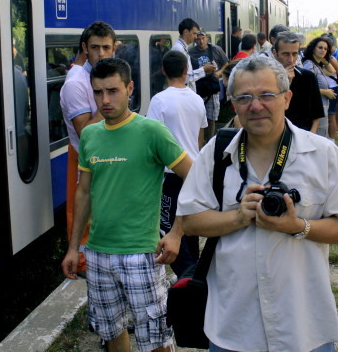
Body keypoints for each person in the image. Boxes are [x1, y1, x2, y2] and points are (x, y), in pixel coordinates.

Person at [177, 56, 338, 352]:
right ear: (233, 104)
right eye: (244, 98)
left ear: (286, 99)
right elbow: (189, 221)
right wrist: (238, 217)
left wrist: (297, 226)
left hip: (303, 326)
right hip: (233, 325)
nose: (255, 106)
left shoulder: (323, 154)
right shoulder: (216, 153)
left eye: (266, 95)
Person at [61, 58, 193, 352]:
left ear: (129, 88)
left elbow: (194, 179)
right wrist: (74, 248)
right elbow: (84, 193)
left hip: (142, 253)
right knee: (111, 331)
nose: (105, 100)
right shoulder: (91, 135)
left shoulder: (152, 132)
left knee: (156, 339)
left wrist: (176, 232)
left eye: (113, 91)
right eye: (98, 92)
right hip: (98, 254)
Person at [59, 21, 116, 275]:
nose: (101, 54)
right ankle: (82, 265)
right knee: (82, 216)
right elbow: (85, 133)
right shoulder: (76, 83)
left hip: (105, 156)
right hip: (85, 158)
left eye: (106, 48)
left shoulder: (101, 77)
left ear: (114, 48)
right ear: (84, 48)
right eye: (95, 47)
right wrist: (111, 102)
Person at [147, 51, 207, 278]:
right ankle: (195, 270)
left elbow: (152, 140)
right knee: (188, 224)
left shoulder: (159, 100)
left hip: (170, 176)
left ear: (163, 71)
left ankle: (188, 276)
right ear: (185, 71)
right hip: (192, 171)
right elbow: (199, 138)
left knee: (168, 226)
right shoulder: (197, 99)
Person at [273, 31, 324, 133]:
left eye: (294, 54)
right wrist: (285, 83)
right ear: (275, 54)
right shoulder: (268, 78)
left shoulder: (308, 77)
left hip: (304, 133)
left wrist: (310, 136)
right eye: (285, 54)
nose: (291, 59)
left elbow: (316, 114)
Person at [189, 31, 229, 141]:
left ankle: (210, 139)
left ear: (206, 38)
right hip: (198, 87)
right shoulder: (191, 52)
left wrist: (219, 72)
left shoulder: (215, 49)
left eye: (203, 38)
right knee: (198, 116)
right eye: (198, 39)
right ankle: (200, 140)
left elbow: (226, 63)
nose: (201, 41)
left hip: (212, 88)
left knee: (212, 117)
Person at [300, 37, 338, 138]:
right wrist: (325, 92)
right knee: (317, 137)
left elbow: (332, 71)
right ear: (313, 48)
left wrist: (324, 61)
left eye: (325, 49)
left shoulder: (317, 65)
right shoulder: (309, 64)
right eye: (320, 48)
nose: (323, 50)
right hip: (314, 109)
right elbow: (307, 87)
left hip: (322, 107)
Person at [172, 18, 217, 92]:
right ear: (186, 32)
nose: (196, 37)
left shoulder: (183, 48)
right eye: (194, 33)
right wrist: (204, 70)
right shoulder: (179, 50)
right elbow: (184, 78)